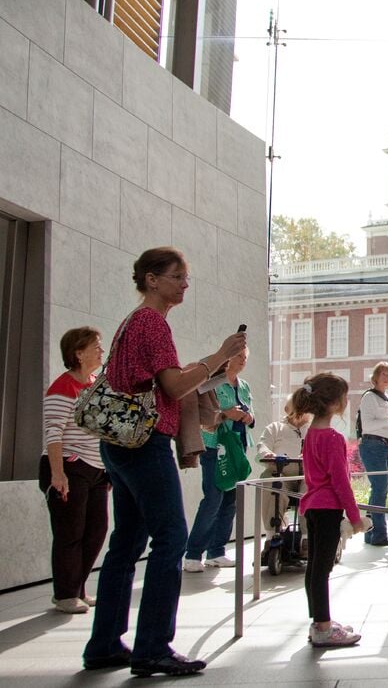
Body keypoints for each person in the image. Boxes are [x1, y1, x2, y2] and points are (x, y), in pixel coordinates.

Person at [83, 247, 246, 677]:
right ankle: (153, 647)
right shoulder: (152, 324)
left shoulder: (133, 323)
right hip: (145, 444)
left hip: (121, 445)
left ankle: (104, 644)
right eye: (178, 276)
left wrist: (213, 367)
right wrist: (218, 355)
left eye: (186, 277)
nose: (185, 284)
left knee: (127, 542)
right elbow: (173, 387)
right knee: (171, 537)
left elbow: (163, 383)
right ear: (152, 279)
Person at [39, 327, 108, 614]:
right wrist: (58, 475)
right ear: (78, 353)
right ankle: (66, 594)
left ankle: (78, 587)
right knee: (71, 532)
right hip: (68, 466)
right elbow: (53, 433)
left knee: (96, 530)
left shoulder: (94, 384)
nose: (101, 351)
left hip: (95, 469)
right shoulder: (62, 387)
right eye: (96, 346)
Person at [294, 373, 364, 648]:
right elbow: (340, 482)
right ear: (335, 403)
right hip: (327, 508)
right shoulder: (333, 438)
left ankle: (318, 622)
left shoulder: (311, 434)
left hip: (312, 507)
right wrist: (355, 516)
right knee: (322, 569)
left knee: (314, 568)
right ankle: (323, 627)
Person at [184, 348, 254, 572]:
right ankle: (193, 554)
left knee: (230, 501)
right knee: (213, 497)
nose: (242, 361)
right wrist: (226, 413)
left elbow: (251, 414)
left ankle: (217, 551)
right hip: (214, 444)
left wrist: (249, 417)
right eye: (238, 356)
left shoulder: (244, 386)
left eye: (245, 358)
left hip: (236, 446)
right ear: (227, 358)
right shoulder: (213, 383)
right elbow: (204, 414)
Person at [357, 362, 388, 547]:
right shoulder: (369, 397)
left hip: (386, 446)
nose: (385, 377)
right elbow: (367, 426)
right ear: (375, 377)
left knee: (379, 489)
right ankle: (379, 534)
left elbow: (386, 425)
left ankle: (371, 533)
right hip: (373, 445)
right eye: (382, 374)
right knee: (380, 489)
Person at [257, 399, 311, 548]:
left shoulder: (314, 429)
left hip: (306, 474)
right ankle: (270, 536)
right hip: (281, 472)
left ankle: (306, 537)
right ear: (288, 409)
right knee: (270, 481)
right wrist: (268, 454)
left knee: (312, 484)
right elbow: (263, 446)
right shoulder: (275, 428)